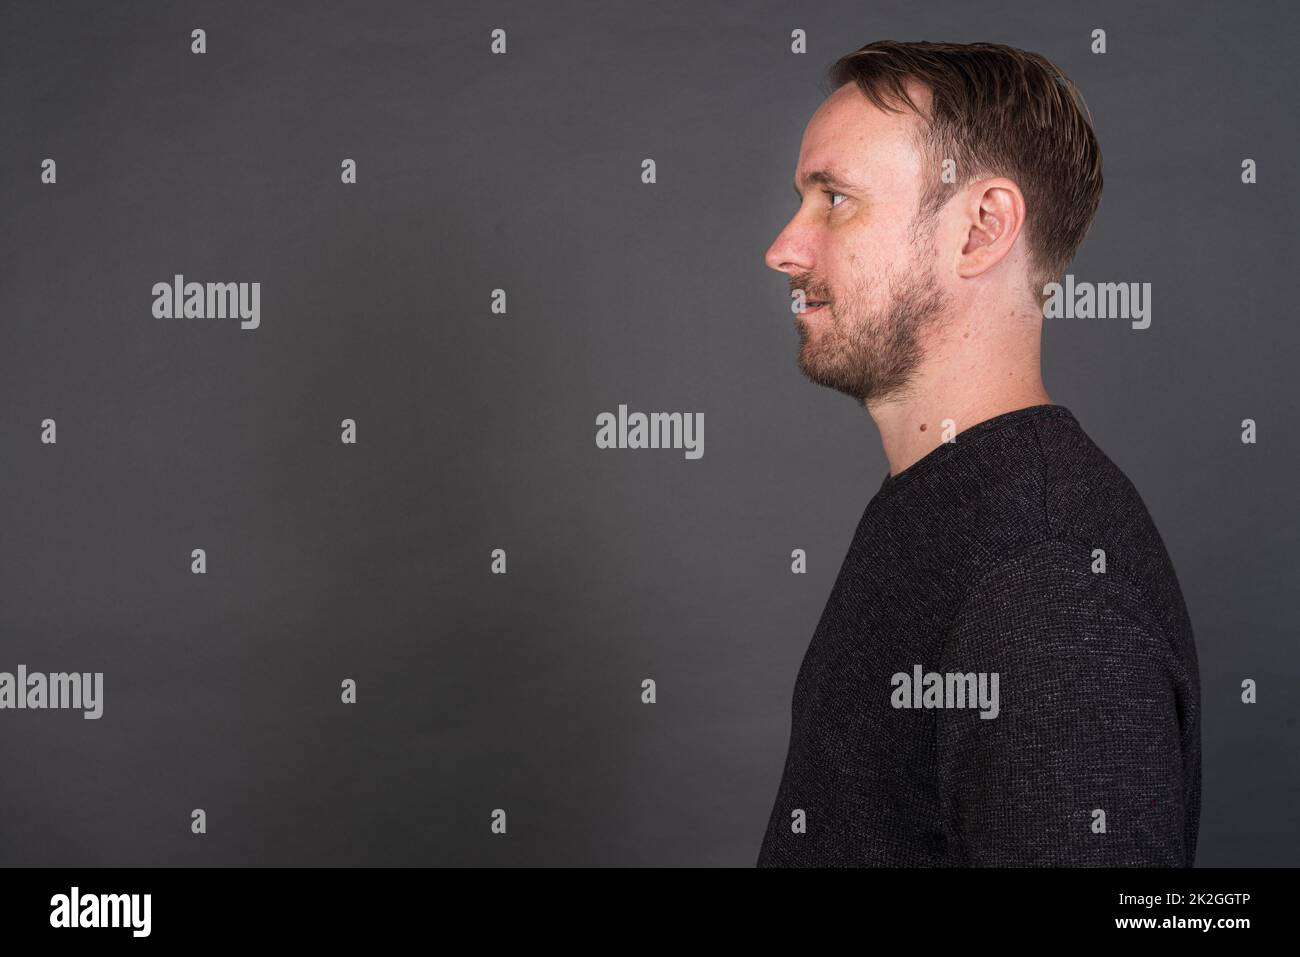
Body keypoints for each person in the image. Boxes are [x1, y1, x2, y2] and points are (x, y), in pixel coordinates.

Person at [757, 40, 1200, 866]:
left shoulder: (1047, 581)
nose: (784, 248)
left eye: (836, 200)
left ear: (982, 228)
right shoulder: (944, 505)